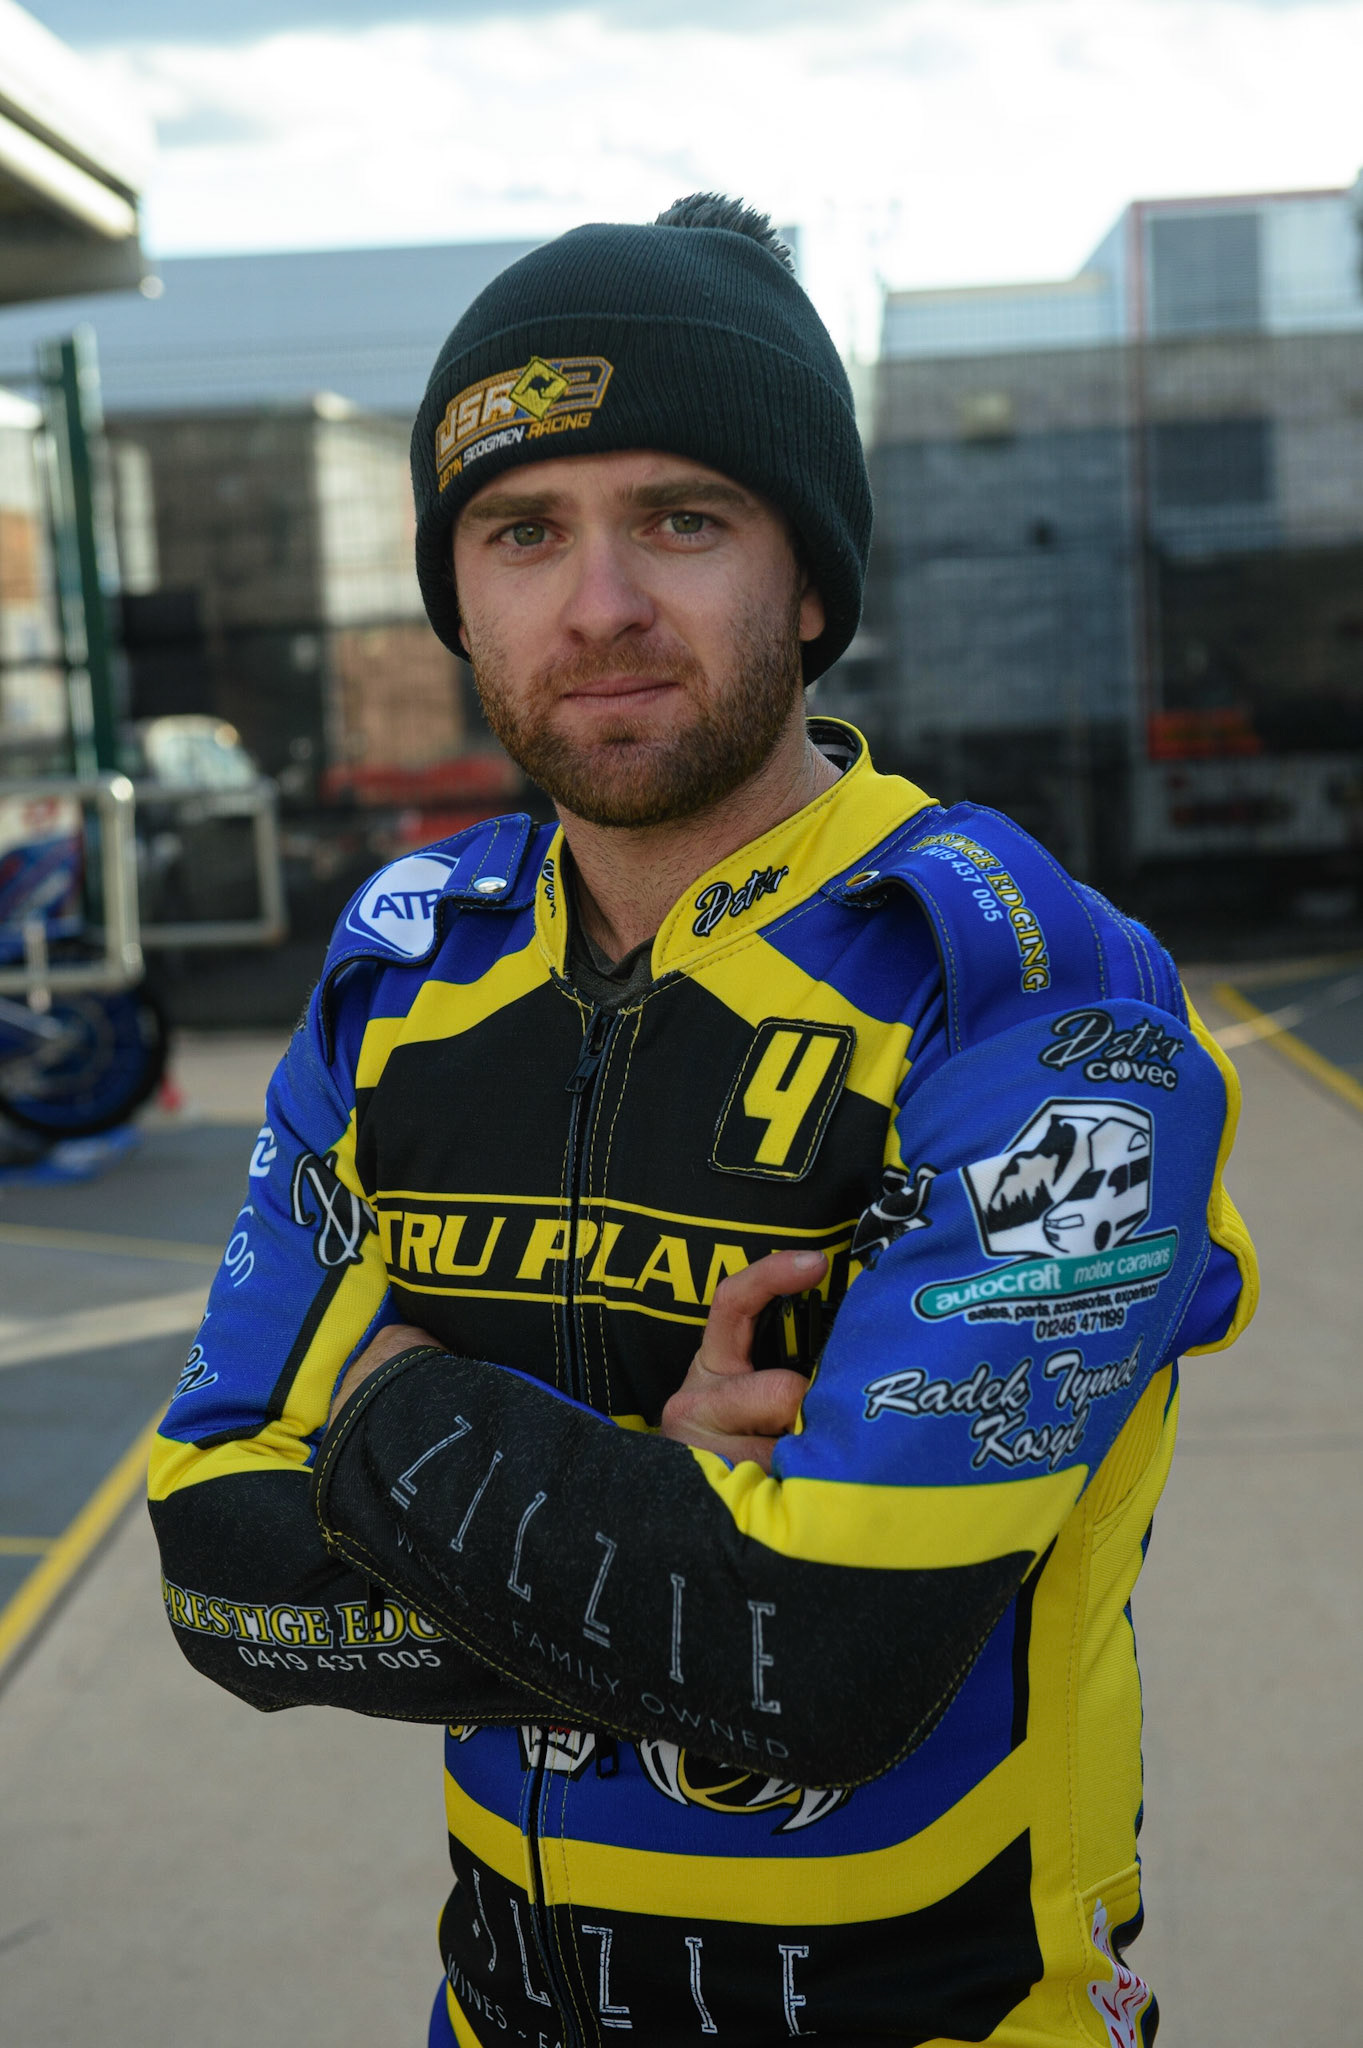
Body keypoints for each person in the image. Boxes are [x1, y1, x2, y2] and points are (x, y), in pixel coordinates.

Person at [150, 194, 1257, 2048]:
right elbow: (211, 1560)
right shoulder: (401, 969)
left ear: (810, 581)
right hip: (488, 2014)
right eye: (522, 533)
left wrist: (384, 1405)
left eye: (683, 518)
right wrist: (667, 1494)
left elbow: (825, 1657)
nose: (599, 607)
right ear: (461, 592)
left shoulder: (1034, 990)